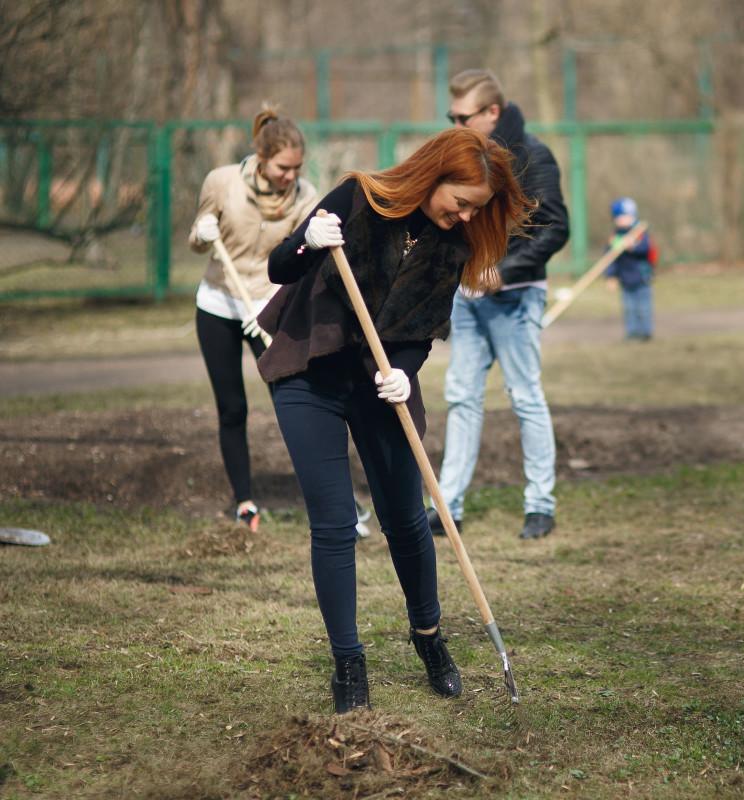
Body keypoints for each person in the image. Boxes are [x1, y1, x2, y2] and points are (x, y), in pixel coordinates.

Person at [256, 128, 532, 712]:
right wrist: (308, 237)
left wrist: (403, 373)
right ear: (435, 176)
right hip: (310, 371)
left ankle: (429, 638)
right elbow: (281, 267)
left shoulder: (449, 248)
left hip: (380, 387)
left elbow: (421, 331)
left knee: (406, 519)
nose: (465, 217)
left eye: (476, 210)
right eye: (461, 201)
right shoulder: (358, 198)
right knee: (332, 524)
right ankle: (348, 664)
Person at [431, 68, 570, 541]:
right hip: (466, 301)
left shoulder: (532, 155)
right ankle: (448, 507)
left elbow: (555, 227)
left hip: (515, 299)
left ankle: (539, 506)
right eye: (450, 116)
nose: (455, 124)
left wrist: (505, 270)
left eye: (462, 116)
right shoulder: (462, 156)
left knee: (525, 397)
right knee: (461, 398)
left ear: (492, 112)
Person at [189, 107, 318, 532]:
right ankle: (245, 502)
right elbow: (197, 239)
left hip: (267, 305)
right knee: (232, 407)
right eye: (284, 167)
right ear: (261, 157)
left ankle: (326, 497)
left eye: (297, 167)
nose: (291, 175)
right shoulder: (222, 182)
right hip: (220, 303)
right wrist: (203, 231)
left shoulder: (305, 196)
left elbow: (303, 259)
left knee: (296, 398)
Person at [604, 197, 655, 341]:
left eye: (625, 217)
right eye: (619, 218)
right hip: (625, 279)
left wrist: (632, 246)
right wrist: (611, 276)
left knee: (643, 307)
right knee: (629, 308)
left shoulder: (639, 233)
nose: (622, 220)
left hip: (641, 277)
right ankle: (631, 332)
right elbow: (610, 258)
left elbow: (646, 249)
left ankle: (645, 331)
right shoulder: (615, 236)